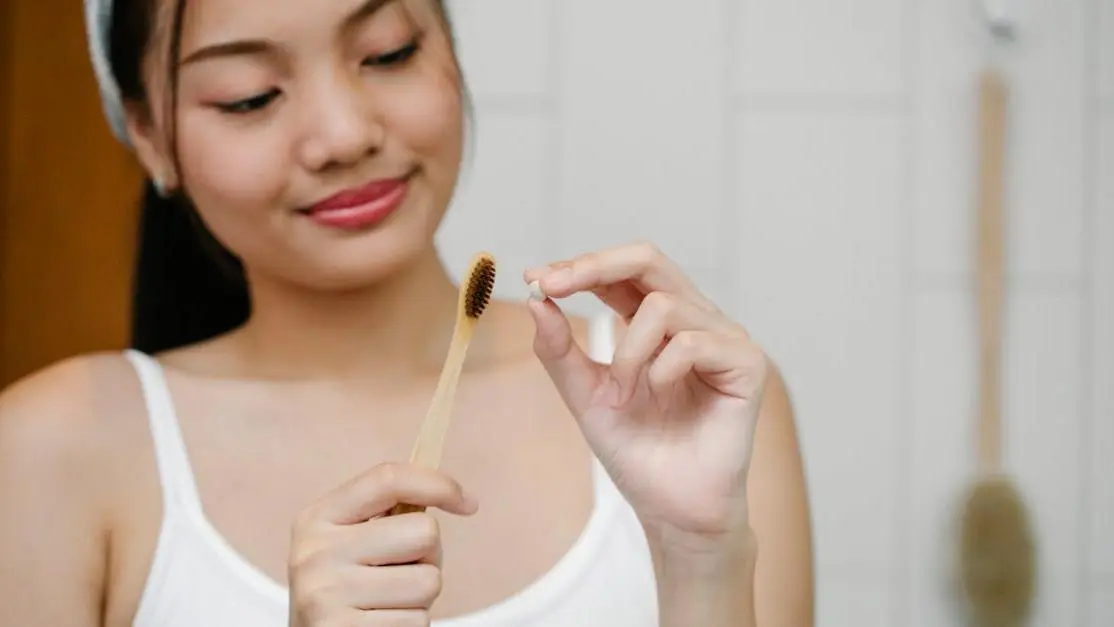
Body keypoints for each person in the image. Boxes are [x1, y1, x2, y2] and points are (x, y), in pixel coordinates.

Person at [0, 0, 815, 625]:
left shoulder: (680, 396)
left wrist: (701, 565)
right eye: (250, 97)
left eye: (389, 52)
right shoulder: (49, 449)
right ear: (146, 134)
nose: (345, 133)